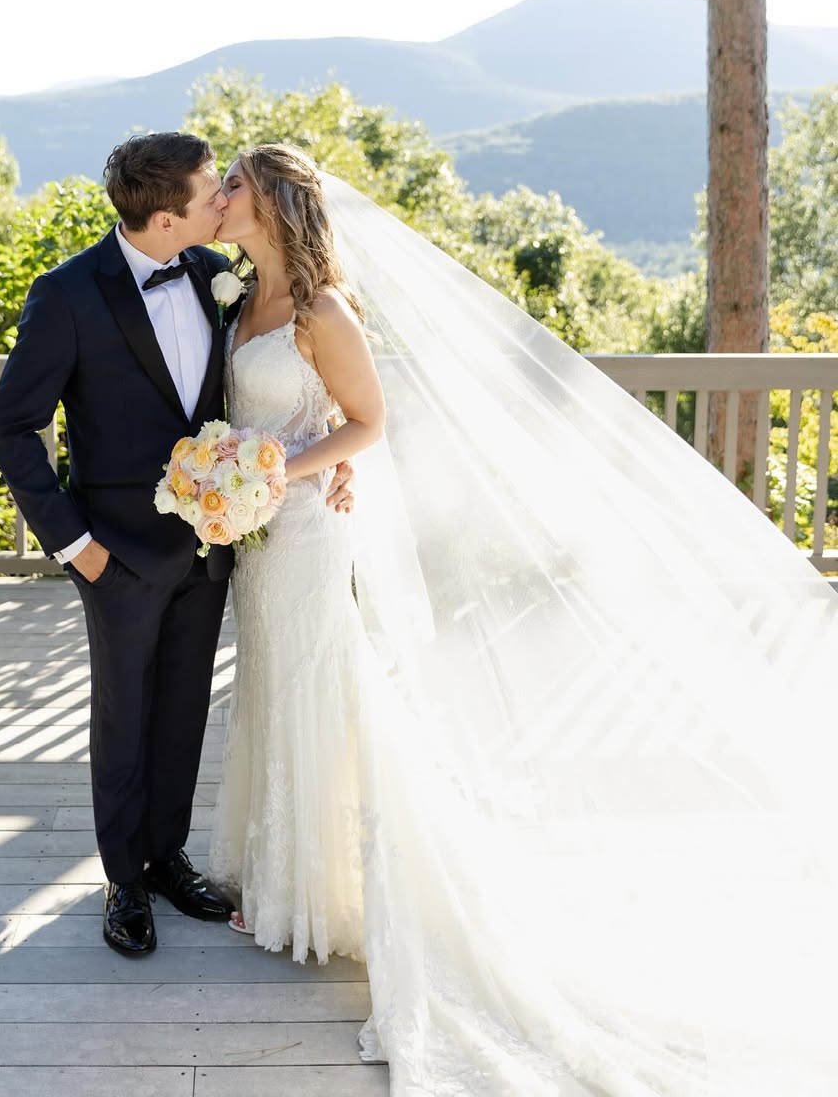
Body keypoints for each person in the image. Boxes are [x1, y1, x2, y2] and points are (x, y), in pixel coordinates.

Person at [208, 142, 838, 1096]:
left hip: (301, 529)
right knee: (269, 678)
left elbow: (368, 421)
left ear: (277, 202)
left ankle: (335, 893)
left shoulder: (320, 309)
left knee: (318, 681)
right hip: (258, 534)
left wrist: (272, 471)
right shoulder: (237, 293)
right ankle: (286, 882)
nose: (219, 195)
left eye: (234, 185)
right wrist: (242, 473)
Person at [0, 131, 353, 959]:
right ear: (164, 216)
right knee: (124, 714)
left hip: (217, 543)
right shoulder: (67, 294)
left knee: (186, 706)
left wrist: (331, 451)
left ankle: (166, 856)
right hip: (112, 551)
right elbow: (11, 427)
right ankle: (123, 881)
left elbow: (285, 380)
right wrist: (75, 545)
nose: (221, 201)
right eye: (209, 192)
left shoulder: (212, 277)